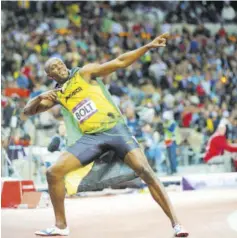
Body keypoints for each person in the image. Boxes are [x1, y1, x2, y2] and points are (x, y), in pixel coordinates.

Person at [23, 33, 188, 237]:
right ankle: (60, 226)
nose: (60, 68)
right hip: (92, 138)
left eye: (60, 64)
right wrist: (38, 97)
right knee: (53, 172)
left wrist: (148, 46)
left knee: (145, 171)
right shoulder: (56, 95)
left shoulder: (84, 73)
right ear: (51, 77)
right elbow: (28, 112)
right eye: (54, 69)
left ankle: (176, 224)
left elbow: (119, 62)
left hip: (115, 130)